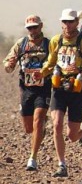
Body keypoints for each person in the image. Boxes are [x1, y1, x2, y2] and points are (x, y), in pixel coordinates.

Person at [36, 8, 82, 177]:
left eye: (70, 21)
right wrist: (41, 73)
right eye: (64, 22)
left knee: (72, 135)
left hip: (77, 89)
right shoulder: (56, 41)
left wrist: (80, 68)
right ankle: (61, 164)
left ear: (77, 22)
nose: (67, 25)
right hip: (58, 87)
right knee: (56, 124)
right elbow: (50, 63)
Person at [3, 15, 51, 171]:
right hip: (26, 89)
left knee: (38, 120)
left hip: (43, 89)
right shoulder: (21, 44)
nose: (32, 30)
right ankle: (41, 128)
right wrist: (9, 64)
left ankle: (33, 158)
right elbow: (8, 64)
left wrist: (46, 72)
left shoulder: (49, 45)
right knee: (28, 128)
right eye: (29, 28)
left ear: (41, 26)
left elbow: (56, 64)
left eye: (35, 27)